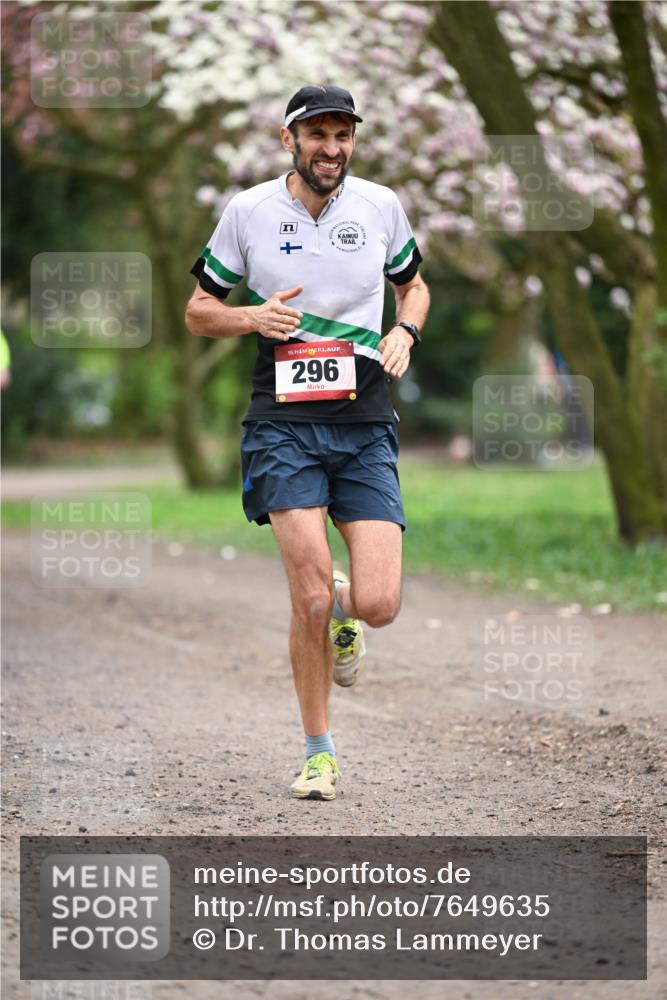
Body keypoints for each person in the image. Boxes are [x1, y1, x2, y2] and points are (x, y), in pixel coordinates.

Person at [185, 85, 430, 801]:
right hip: (282, 424)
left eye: (343, 135)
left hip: (363, 422)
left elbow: (413, 286)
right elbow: (200, 310)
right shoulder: (250, 212)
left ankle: (351, 620)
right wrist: (252, 318)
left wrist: (402, 330)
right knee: (310, 597)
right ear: (290, 139)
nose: (332, 149)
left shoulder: (380, 206)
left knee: (376, 602)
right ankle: (318, 753)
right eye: (318, 135)